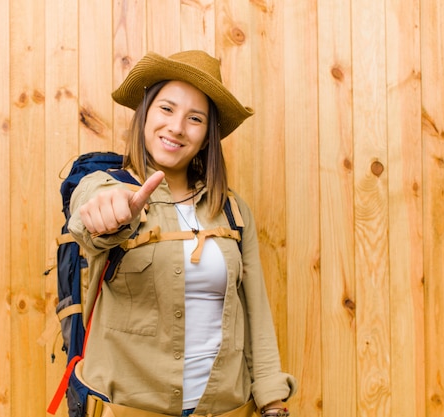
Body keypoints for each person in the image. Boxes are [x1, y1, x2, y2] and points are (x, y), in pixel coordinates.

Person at [67, 50, 297, 417]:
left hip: (226, 408)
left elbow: (257, 313)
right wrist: (106, 214)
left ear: (207, 136)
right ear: (144, 115)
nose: (176, 127)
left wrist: (271, 399)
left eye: (195, 119)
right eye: (166, 109)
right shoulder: (105, 186)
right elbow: (89, 218)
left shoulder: (232, 211)